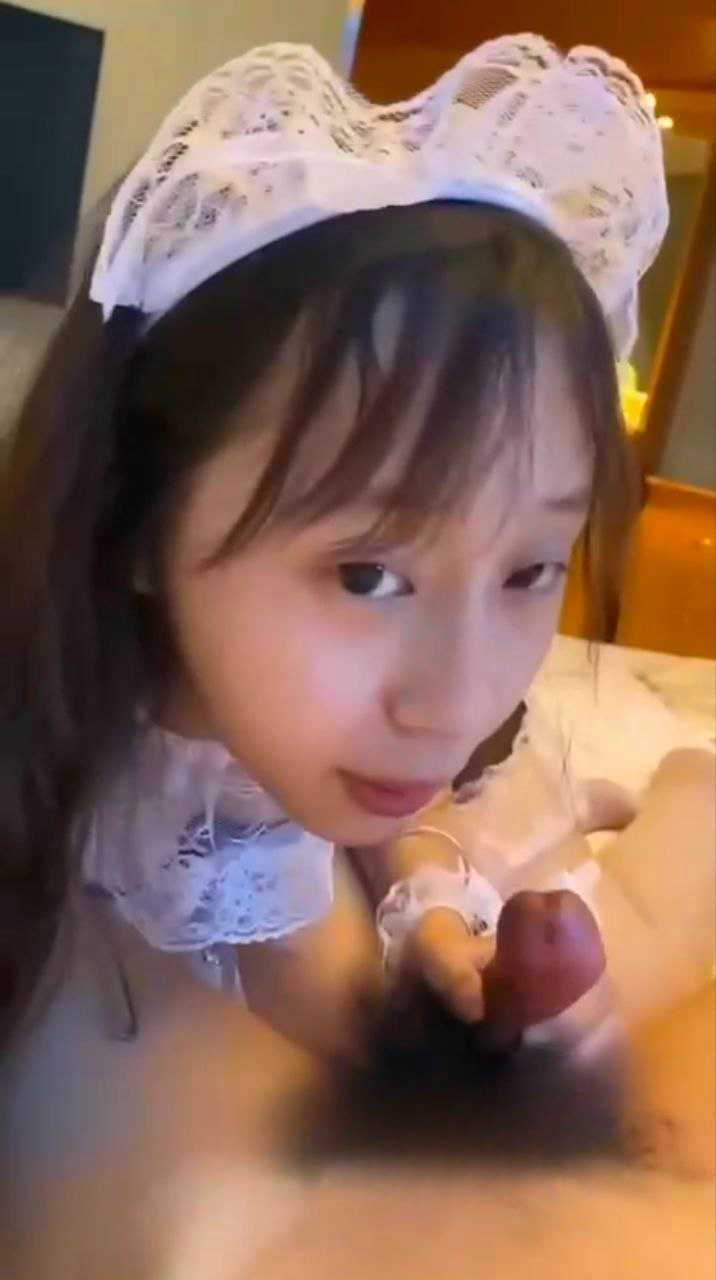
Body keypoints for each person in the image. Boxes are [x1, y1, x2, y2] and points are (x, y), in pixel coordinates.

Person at [0, 37, 670, 1053]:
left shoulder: (305, 736)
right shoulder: (77, 796)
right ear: (135, 510)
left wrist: (426, 901)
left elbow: (393, 817)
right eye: (368, 575)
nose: (457, 702)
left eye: (530, 568)